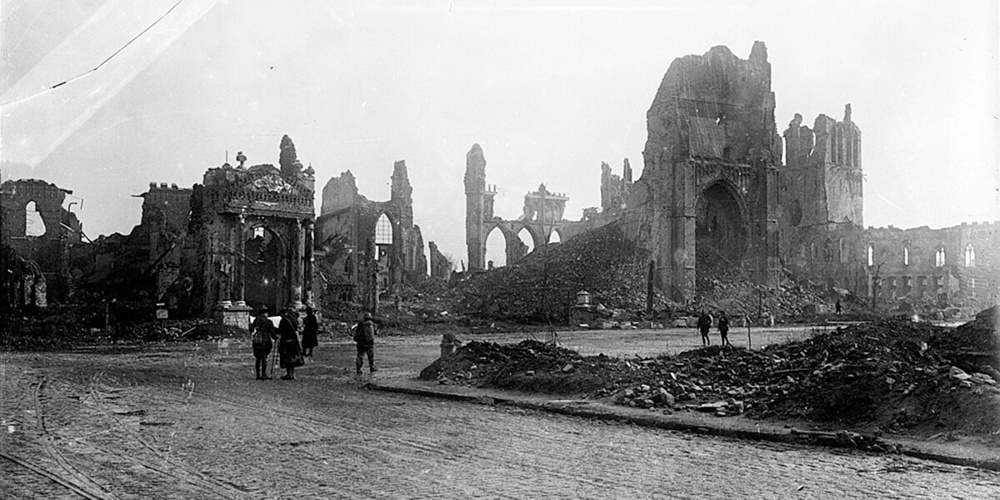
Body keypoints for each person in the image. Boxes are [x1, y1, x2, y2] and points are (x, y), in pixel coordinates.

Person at [250, 309, 277, 379]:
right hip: (266, 340)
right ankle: (264, 374)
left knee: (258, 358)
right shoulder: (268, 322)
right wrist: (275, 337)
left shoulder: (256, 321)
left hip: (257, 341)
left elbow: (251, 329)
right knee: (264, 357)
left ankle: (258, 375)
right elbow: (272, 332)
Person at [277, 309, 302, 380]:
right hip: (294, 341)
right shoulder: (294, 320)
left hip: (286, 341)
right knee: (292, 357)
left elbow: (280, 330)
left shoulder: (283, 321)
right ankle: (291, 373)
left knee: (287, 358)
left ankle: (289, 373)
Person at [353, 312, 378, 377]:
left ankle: (359, 369)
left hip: (361, 344)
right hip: (369, 343)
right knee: (371, 357)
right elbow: (375, 333)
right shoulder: (373, 325)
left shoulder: (360, 324)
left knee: (360, 356)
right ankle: (372, 368)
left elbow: (357, 333)